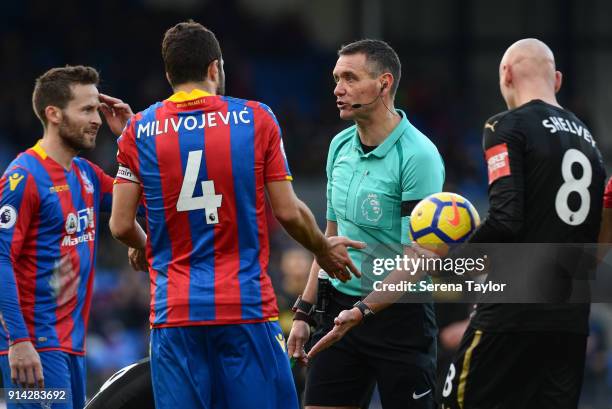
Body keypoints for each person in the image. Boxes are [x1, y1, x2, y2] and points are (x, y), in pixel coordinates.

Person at [311, 38, 606, 409]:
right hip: (570, 313)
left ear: (506, 74)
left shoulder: (505, 126)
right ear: (557, 81)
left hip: (510, 310)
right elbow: (596, 242)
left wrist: (452, 265)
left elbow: (505, 219)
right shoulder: (590, 141)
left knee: (454, 402)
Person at [108, 21, 364, 409]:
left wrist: (147, 247)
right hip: (244, 308)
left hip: (175, 314)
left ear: (168, 74)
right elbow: (289, 212)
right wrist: (323, 249)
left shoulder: (138, 129)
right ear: (215, 68)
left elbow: (121, 224)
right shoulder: (256, 118)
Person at [287, 39, 445, 409]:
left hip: (398, 317)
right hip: (338, 309)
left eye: (350, 78)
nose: (337, 89)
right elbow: (328, 239)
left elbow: (420, 257)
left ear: (384, 83)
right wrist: (305, 312)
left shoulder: (419, 156)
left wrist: (363, 311)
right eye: (337, 78)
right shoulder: (339, 146)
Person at [0, 65, 135, 408]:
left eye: (97, 109)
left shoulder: (85, 175)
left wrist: (130, 139)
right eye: (87, 109)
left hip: (70, 345)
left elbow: (146, 200)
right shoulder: (23, 177)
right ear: (54, 114)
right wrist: (19, 341)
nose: (98, 120)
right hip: (35, 349)